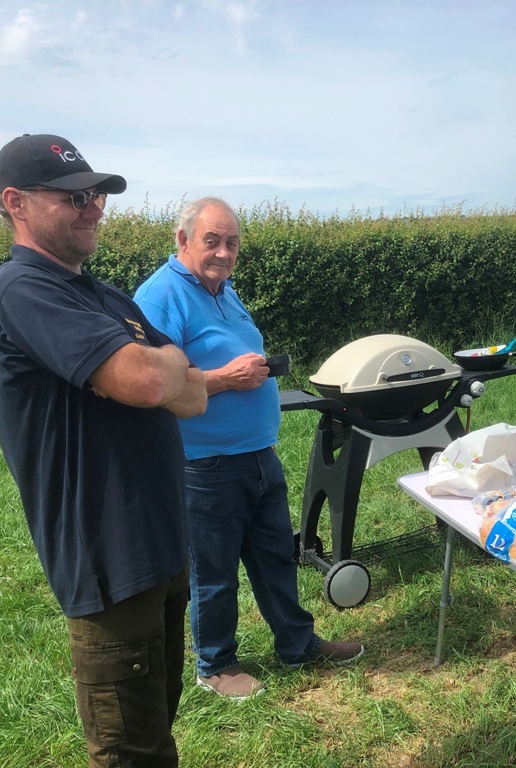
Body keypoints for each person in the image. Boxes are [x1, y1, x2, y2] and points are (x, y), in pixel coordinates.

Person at [0, 134, 207, 767]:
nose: (95, 208)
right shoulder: (21, 291)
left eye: (99, 195)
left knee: (157, 729)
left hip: (159, 547)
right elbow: (153, 380)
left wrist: (163, 368)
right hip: (107, 562)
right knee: (132, 753)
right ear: (16, 203)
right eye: (76, 196)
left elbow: (193, 399)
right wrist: (165, 362)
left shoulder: (105, 297)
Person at [134, 197, 363, 700]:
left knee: (275, 557)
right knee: (214, 572)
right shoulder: (160, 297)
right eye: (211, 241)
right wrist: (224, 379)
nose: (222, 252)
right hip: (204, 463)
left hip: (258, 454)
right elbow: (153, 384)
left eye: (231, 242)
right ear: (183, 240)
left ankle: (297, 643)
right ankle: (214, 665)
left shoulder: (223, 291)